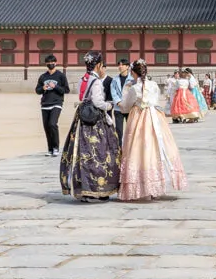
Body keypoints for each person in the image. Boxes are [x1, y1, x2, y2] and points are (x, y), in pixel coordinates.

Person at [118, 59, 187, 200]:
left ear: (133, 73)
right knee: (156, 148)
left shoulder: (133, 88)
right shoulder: (154, 85)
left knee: (138, 150)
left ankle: (141, 187)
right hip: (155, 118)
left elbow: (125, 106)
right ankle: (156, 185)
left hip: (139, 119)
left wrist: (119, 101)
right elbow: (155, 101)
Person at [59, 52, 121, 202]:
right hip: (95, 121)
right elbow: (98, 102)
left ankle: (83, 187)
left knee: (82, 153)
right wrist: (109, 105)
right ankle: (98, 189)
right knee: (100, 152)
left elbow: (82, 98)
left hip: (82, 120)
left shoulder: (83, 80)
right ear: (98, 65)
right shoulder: (97, 81)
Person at [34, 55, 69, 156]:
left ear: (56, 63)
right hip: (45, 104)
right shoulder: (43, 76)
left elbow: (66, 90)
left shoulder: (61, 76)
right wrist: (43, 88)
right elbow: (37, 90)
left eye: (52, 62)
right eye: (48, 63)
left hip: (57, 103)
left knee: (52, 124)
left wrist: (56, 86)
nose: (50, 64)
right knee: (46, 127)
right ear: (46, 64)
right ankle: (50, 149)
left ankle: (56, 148)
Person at [109, 59, 131, 144]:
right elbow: (113, 92)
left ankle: (129, 148)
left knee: (130, 130)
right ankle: (119, 149)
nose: (120, 66)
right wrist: (118, 102)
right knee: (119, 130)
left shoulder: (132, 79)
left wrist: (128, 103)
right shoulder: (115, 79)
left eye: (122, 65)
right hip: (118, 108)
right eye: (119, 65)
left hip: (129, 108)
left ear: (127, 67)